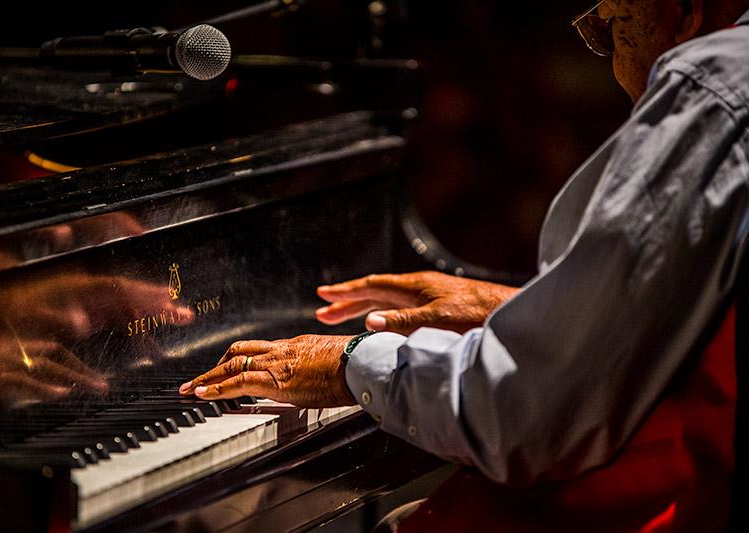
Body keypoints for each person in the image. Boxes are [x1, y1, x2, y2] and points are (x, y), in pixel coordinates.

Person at [180, 0, 749, 529]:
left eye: (613, 26)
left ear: (681, 13)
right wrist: (518, 313)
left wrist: (350, 362)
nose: (620, 73)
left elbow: (528, 415)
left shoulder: (712, 87)